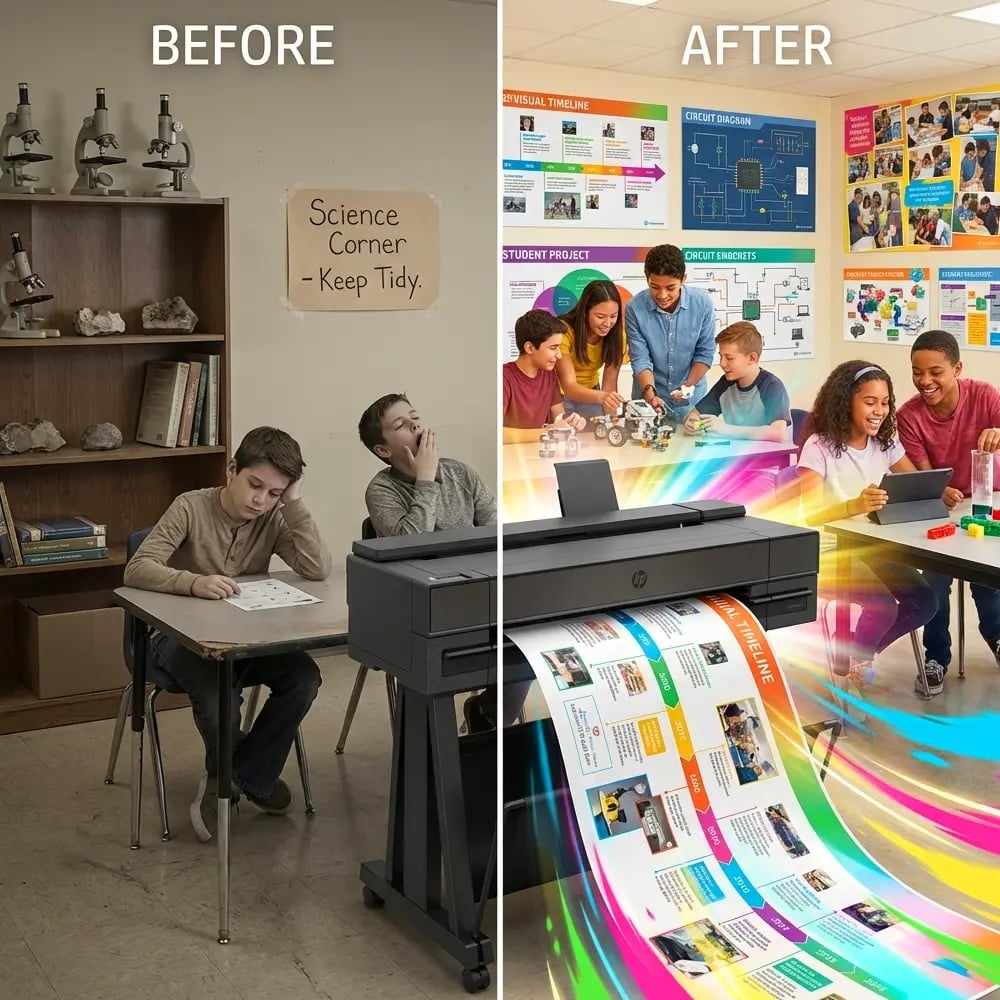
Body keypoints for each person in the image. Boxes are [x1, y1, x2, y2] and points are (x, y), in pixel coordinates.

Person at [123, 426, 332, 841]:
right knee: (219, 691)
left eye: (274, 492)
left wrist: (293, 504)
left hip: (246, 637)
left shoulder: (273, 516)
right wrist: (192, 582)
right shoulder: (190, 507)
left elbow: (317, 568)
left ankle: (236, 777)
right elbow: (137, 568)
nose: (261, 500)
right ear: (231, 469)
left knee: (304, 676)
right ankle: (245, 776)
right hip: (175, 639)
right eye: (255, 485)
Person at [358, 393, 527, 733]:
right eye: (401, 425)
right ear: (383, 450)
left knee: (528, 641)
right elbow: (410, 548)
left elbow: (498, 533)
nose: (415, 425)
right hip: (420, 607)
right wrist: (425, 481)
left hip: (477, 592)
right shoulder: (381, 490)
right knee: (435, 658)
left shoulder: (461, 473)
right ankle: (438, 753)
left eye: (415, 417)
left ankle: (487, 715)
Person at [795, 362, 937, 701]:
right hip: (829, 551)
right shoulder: (819, 446)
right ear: (846, 402)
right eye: (870, 402)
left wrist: (935, 491)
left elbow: (910, 483)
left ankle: (860, 652)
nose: (880, 411)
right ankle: (856, 658)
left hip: (872, 546)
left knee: (925, 601)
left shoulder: (885, 443)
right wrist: (853, 506)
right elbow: (810, 513)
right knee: (883, 606)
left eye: (885, 402)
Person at [897, 329, 1000, 691]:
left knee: (987, 582)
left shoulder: (985, 395)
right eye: (917, 371)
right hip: (944, 510)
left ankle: (996, 637)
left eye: (935, 371)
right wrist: (939, 492)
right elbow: (925, 478)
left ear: (957, 368)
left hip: (987, 504)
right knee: (935, 581)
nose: (925, 381)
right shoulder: (908, 416)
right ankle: (936, 655)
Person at [625, 244, 716, 422]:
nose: (662, 295)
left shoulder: (702, 304)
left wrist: (688, 386)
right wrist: (650, 395)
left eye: (671, 288)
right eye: (655, 287)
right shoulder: (634, 308)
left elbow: (704, 353)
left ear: (683, 279)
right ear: (647, 280)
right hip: (649, 399)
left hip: (691, 400)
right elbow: (640, 358)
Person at [682, 322, 790, 443]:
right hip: (735, 456)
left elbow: (778, 433)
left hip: (766, 458)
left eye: (729, 358)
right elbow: (694, 414)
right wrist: (692, 422)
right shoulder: (726, 383)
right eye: (721, 357)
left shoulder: (772, 386)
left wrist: (725, 429)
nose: (722, 363)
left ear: (752, 358)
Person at [503, 309, 587, 442]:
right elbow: (499, 433)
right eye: (553, 348)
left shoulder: (549, 374)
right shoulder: (504, 378)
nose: (559, 355)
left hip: (541, 453)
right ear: (530, 348)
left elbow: (558, 416)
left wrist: (569, 422)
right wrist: (548, 432)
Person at [556, 279, 627, 420]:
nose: (608, 324)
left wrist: (614, 420)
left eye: (613, 316)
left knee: (598, 433)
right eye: (600, 317)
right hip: (560, 395)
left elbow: (609, 385)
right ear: (585, 312)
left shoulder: (618, 336)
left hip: (593, 393)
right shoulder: (563, 331)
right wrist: (604, 397)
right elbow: (569, 386)